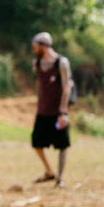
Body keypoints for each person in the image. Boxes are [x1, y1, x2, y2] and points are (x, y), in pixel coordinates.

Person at [30, 32, 72, 188]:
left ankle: (59, 178)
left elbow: (67, 87)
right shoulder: (37, 63)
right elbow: (40, 85)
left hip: (58, 112)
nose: (33, 49)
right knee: (36, 142)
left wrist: (63, 111)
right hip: (43, 110)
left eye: (35, 46)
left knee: (62, 145)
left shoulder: (61, 62)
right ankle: (48, 171)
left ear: (43, 46)